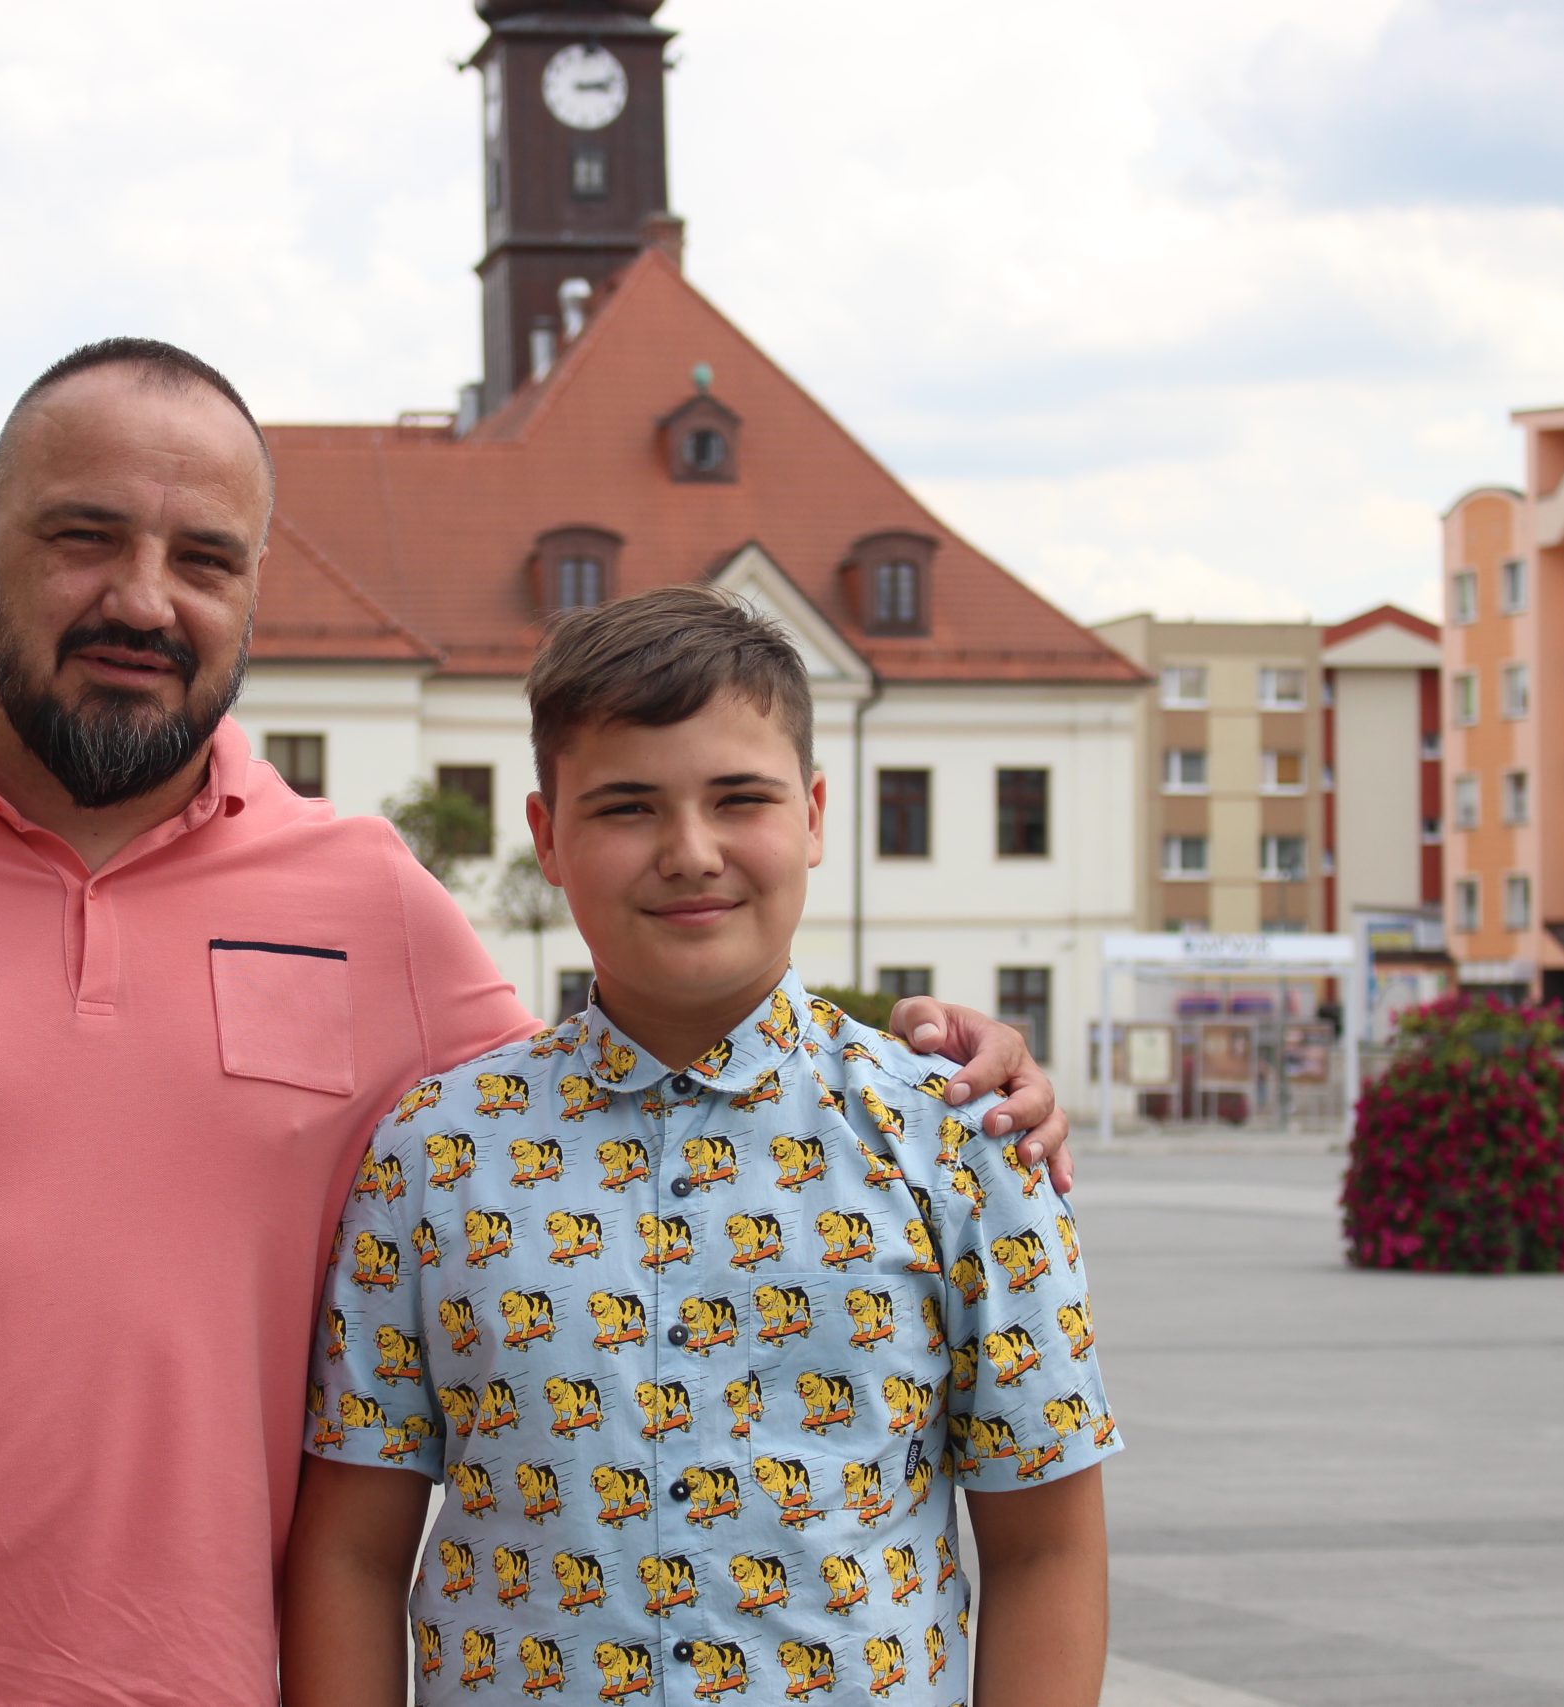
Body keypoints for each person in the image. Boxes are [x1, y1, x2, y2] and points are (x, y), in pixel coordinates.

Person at [0, 340, 1073, 1707]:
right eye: (83, 537)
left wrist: (961, 1069)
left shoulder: (367, 895)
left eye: (204, 557)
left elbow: (637, 1069)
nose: (142, 598)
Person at [285, 587, 1117, 1707]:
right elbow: (349, 1551)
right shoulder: (433, 1157)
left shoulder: (958, 1143)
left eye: (741, 799)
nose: (689, 852)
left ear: (816, 815)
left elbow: (1046, 1547)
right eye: (627, 807)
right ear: (547, 837)